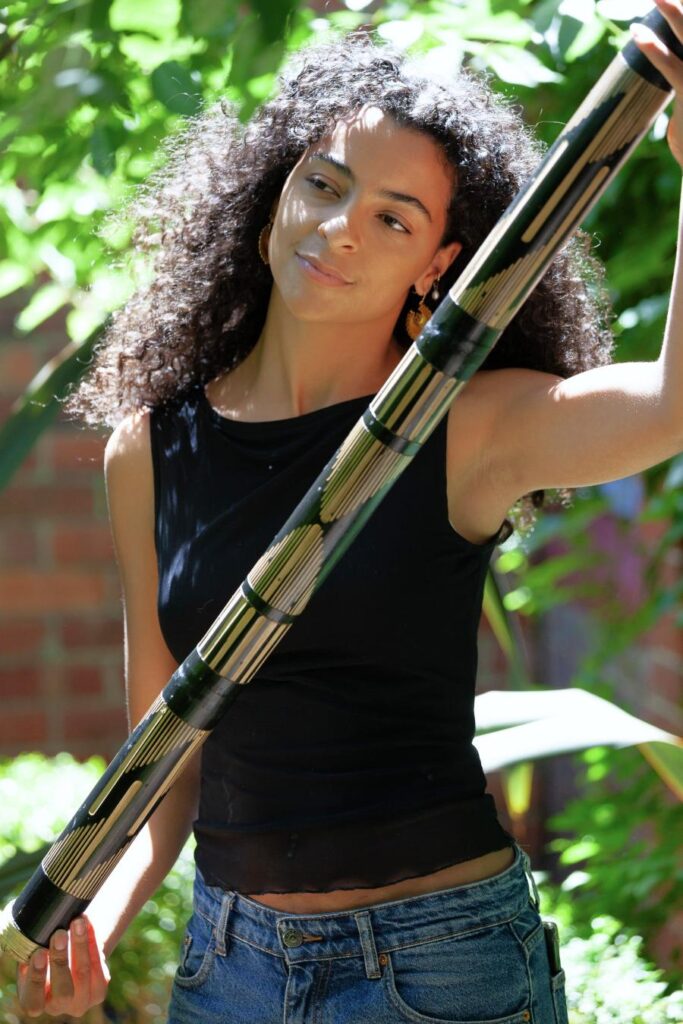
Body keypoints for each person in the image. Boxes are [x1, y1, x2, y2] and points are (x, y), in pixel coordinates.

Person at [16, 8, 683, 1021]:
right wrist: (92, 934)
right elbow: (167, 766)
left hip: (440, 965)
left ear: (435, 261)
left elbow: (668, 407)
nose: (337, 228)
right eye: (322, 184)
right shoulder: (148, 450)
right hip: (228, 968)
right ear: (272, 191)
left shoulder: (461, 427)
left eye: (391, 216)